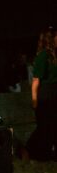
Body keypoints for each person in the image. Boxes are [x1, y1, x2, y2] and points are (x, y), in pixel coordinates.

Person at [27, 28, 57, 160]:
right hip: (47, 94)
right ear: (50, 39)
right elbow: (36, 80)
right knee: (45, 126)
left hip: (54, 92)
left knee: (53, 125)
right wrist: (34, 100)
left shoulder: (54, 55)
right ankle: (35, 152)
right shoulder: (43, 56)